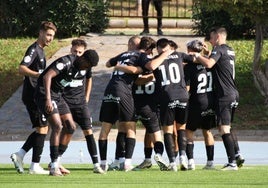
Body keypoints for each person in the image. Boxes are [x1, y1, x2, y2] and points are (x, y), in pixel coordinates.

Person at [35, 49, 99, 176]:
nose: (86, 68)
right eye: (87, 65)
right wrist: (48, 98)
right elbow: (47, 76)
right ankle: (53, 166)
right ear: (83, 59)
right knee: (58, 126)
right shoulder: (66, 62)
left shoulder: (79, 68)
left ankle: (57, 161)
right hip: (44, 94)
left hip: (57, 96)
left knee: (70, 127)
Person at [47, 39, 104, 174]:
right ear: (70, 50)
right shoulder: (67, 64)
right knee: (63, 129)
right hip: (65, 101)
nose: (77, 54)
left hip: (80, 103)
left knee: (89, 132)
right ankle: (55, 162)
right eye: (75, 51)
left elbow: (89, 79)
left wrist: (87, 96)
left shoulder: (86, 65)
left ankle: (96, 165)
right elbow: (53, 78)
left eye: (80, 52)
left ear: (84, 53)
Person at [192, 27, 244, 170]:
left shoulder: (218, 49)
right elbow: (219, 62)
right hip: (234, 93)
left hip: (224, 95)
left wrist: (197, 56)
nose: (210, 40)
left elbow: (209, 64)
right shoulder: (229, 50)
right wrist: (208, 53)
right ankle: (237, 154)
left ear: (218, 37)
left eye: (211, 38)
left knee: (224, 129)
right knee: (227, 126)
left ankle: (232, 162)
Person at [10, 21, 57, 174]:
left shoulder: (41, 50)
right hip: (32, 96)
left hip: (36, 95)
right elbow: (21, 68)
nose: (50, 38)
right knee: (43, 128)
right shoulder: (34, 49)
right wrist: (38, 75)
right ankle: (34, 166)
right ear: (41, 33)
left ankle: (21, 155)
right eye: (48, 35)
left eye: (52, 36)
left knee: (42, 128)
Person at [98, 36, 147, 172]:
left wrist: (118, 65)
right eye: (137, 45)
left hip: (109, 89)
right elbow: (140, 69)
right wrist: (139, 71)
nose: (138, 48)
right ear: (131, 44)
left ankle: (103, 163)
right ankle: (127, 163)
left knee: (107, 129)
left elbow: (108, 63)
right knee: (131, 126)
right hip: (123, 90)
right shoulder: (140, 55)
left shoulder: (122, 55)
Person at [145, 38, 194, 172]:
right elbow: (194, 59)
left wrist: (163, 54)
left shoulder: (157, 58)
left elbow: (151, 67)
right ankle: (183, 158)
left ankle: (172, 162)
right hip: (183, 95)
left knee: (167, 131)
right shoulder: (180, 55)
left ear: (159, 49)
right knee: (181, 129)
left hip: (168, 96)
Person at [184, 39, 216, 170]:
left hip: (196, 101)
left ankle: (191, 161)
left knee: (189, 131)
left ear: (190, 51)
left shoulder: (189, 67)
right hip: (210, 101)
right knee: (207, 131)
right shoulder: (210, 63)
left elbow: (187, 88)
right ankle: (210, 162)